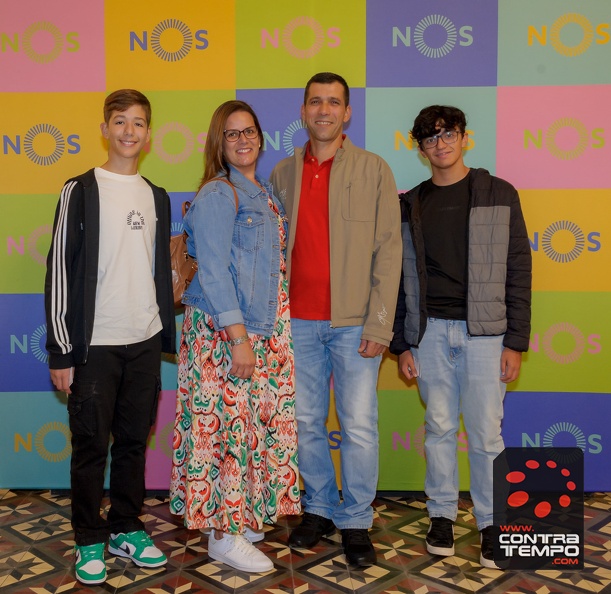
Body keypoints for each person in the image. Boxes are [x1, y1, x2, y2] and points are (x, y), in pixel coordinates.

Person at [390, 105, 532, 569]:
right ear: (420, 147)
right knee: (439, 430)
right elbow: (397, 277)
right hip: (429, 335)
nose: (441, 144)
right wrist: (403, 341)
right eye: (430, 138)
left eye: (448, 134)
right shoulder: (409, 203)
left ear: (465, 138)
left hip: (487, 335)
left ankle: (493, 523)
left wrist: (515, 340)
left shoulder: (499, 193)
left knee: (488, 436)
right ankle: (442, 517)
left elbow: (518, 268)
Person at [270, 72, 402, 568]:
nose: (324, 110)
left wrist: (379, 324)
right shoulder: (283, 173)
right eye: (315, 102)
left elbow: (390, 253)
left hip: (355, 325)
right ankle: (320, 507)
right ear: (303, 111)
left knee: (359, 426)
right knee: (305, 423)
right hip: (296, 323)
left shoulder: (374, 169)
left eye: (334, 103)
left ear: (348, 113)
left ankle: (356, 519)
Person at [44, 89, 175, 585]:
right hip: (93, 343)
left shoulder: (156, 194)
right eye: (119, 121)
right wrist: (62, 348)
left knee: (133, 444)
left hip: (143, 339)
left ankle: (125, 526)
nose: (128, 131)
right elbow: (59, 269)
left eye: (138, 122)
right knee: (91, 444)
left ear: (148, 132)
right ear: (104, 128)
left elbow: (158, 268)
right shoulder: (79, 189)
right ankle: (87, 538)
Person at [169, 100, 300, 574]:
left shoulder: (261, 192)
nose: (243, 140)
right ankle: (223, 535)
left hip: (264, 329)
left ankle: (240, 518)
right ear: (218, 143)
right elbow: (217, 272)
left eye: (249, 131)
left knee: (247, 429)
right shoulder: (219, 195)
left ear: (260, 137)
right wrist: (239, 337)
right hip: (228, 334)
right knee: (223, 431)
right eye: (232, 134)